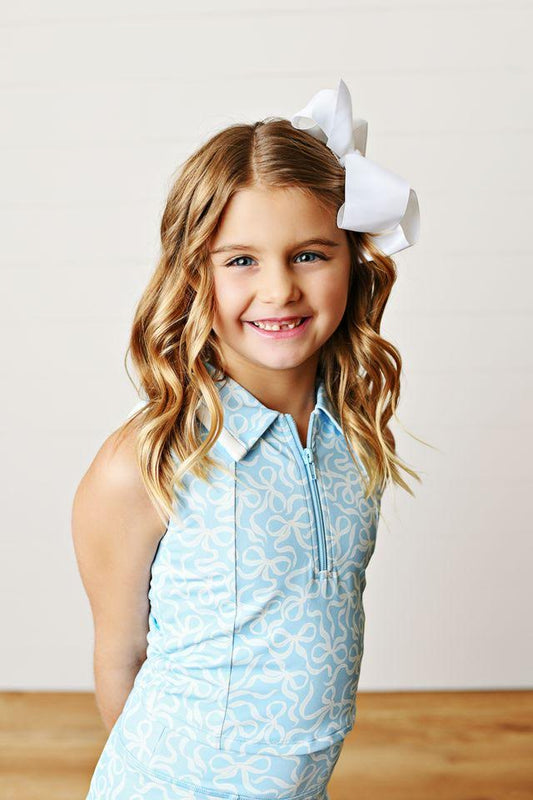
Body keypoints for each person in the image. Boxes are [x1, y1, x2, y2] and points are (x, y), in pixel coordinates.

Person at [72, 78, 422, 800]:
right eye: (240, 260)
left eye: (309, 255)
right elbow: (120, 657)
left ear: (353, 259)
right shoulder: (145, 462)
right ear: (194, 274)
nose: (279, 289)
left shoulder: (352, 433)